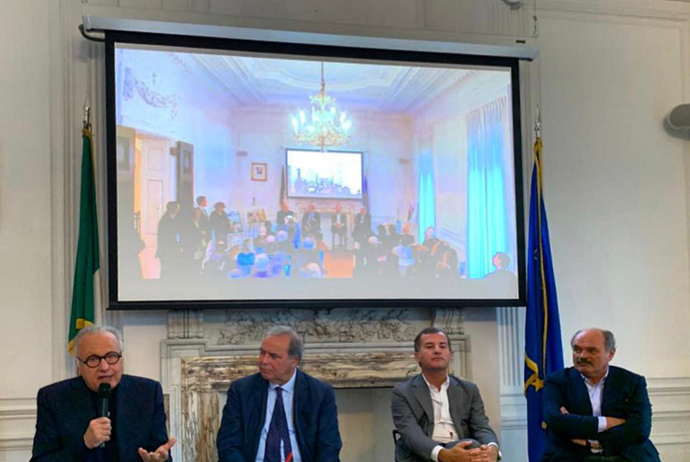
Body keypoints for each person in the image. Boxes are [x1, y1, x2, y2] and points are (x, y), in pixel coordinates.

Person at [30, 325, 175, 462]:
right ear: (78, 365)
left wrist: (159, 460)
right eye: (93, 359)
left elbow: (160, 452)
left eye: (111, 356)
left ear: (122, 360)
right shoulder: (54, 398)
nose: (104, 367)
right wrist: (84, 443)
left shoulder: (147, 392)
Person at [217, 326, 342, 462]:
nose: (264, 361)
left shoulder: (320, 393)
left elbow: (329, 447)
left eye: (273, 356)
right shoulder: (242, 390)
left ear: (294, 361)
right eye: (262, 353)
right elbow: (228, 444)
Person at [541, 329, 661, 462]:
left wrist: (594, 442)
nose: (582, 356)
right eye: (577, 350)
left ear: (611, 354)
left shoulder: (632, 382)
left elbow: (639, 429)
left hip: (627, 455)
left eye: (591, 351)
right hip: (572, 455)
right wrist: (607, 422)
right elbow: (555, 421)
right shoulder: (556, 381)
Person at [391, 327, 500, 462]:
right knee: (473, 448)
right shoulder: (402, 392)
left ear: (450, 354)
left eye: (442, 346)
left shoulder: (469, 389)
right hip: (422, 455)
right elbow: (411, 435)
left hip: (462, 450)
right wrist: (444, 454)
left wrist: (492, 448)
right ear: (417, 356)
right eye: (429, 346)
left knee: (477, 450)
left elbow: (481, 427)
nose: (437, 350)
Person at [156, 201, 181, 279]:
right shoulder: (166, 220)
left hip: (173, 248)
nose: (178, 209)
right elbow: (166, 236)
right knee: (167, 269)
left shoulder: (174, 219)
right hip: (167, 249)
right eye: (177, 207)